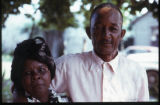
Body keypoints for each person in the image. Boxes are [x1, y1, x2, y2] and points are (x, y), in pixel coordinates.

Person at [50, 3, 149, 102]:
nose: (106, 35)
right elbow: (37, 93)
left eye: (113, 29)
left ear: (122, 34)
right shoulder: (67, 66)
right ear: (89, 33)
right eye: (98, 28)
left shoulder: (136, 72)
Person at [11, 37, 70, 103]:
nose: (36, 76)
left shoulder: (62, 100)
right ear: (20, 78)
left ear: (50, 71)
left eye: (41, 70)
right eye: (28, 73)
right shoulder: (19, 99)